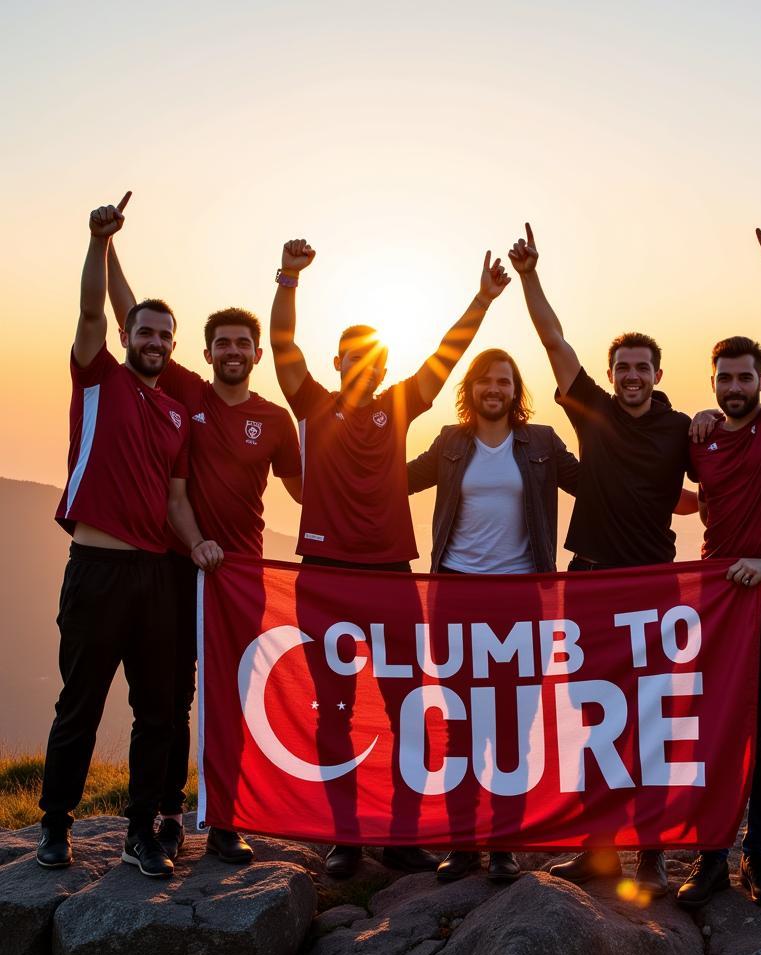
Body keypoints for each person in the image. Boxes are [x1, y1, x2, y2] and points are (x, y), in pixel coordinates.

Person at [269, 237, 510, 878]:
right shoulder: (313, 406)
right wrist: (288, 279)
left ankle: (402, 838)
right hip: (325, 579)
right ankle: (345, 837)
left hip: (391, 579)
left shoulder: (398, 406)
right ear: (339, 360)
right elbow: (283, 350)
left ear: (380, 367)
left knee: (409, 709)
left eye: (372, 359)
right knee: (335, 713)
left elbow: (446, 354)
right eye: (351, 357)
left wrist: (482, 298)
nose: (361, 367)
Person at [38, 194, 223, 879]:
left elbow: (176, 499)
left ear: (172, 346)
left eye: (164, 336)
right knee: (78, 706)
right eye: (145, 331)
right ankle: (54, 827)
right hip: (95, 568)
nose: (154, 341)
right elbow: (93, 310)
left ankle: (141, 831)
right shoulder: (96, 379)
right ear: (127, 337)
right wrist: (99, 242)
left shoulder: (176, 413)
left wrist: (199, 542)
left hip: (155, 578)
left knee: (158, 714)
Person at [507, 223, 692, 897]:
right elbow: (555, 343)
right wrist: (529, 275)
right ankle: (599, 849)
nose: (633, 377)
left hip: (653, 587)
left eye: (643, 368)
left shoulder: (681, 429)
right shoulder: (594, 413)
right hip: (587, 579)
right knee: (592, 715)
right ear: (611, 378)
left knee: (648, 720)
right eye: (623, 369)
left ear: (658, 375)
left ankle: (652, 854)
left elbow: (729, 475)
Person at [107, 241, 302, 866]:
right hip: (176, 566)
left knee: (234, 698)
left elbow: (308, 493)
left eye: (244, 344)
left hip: (241, 575)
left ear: (258, 354)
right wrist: (106, 245)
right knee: (172, 695)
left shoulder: (275, 420)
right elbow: (130, 318)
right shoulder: (189, 391)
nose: (233, 352)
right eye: (223, 343)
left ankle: (226, 820)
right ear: (207, 352)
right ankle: (167, 813)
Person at [674, 230, 761, 911]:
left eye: (744, 377)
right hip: (717, 601)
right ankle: (709, 857)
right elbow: (656, 487)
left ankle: (757, 858)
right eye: (724, 379)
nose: (735, 387)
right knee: (714, 729)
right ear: (713, 385)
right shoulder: (697, 441)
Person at [406, 348, 579, 882]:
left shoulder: (542, 443)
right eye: (485, 381)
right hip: (455, 593)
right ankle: (462, 846)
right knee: (460, 724)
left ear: (515, 389)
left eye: (503, 381)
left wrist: (685, 492)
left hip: (520, 598)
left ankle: (503, 844)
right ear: (472, 389)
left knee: (512, 725)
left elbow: (600, 486)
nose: (494, 389)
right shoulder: (451, 442)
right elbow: (395, 479)